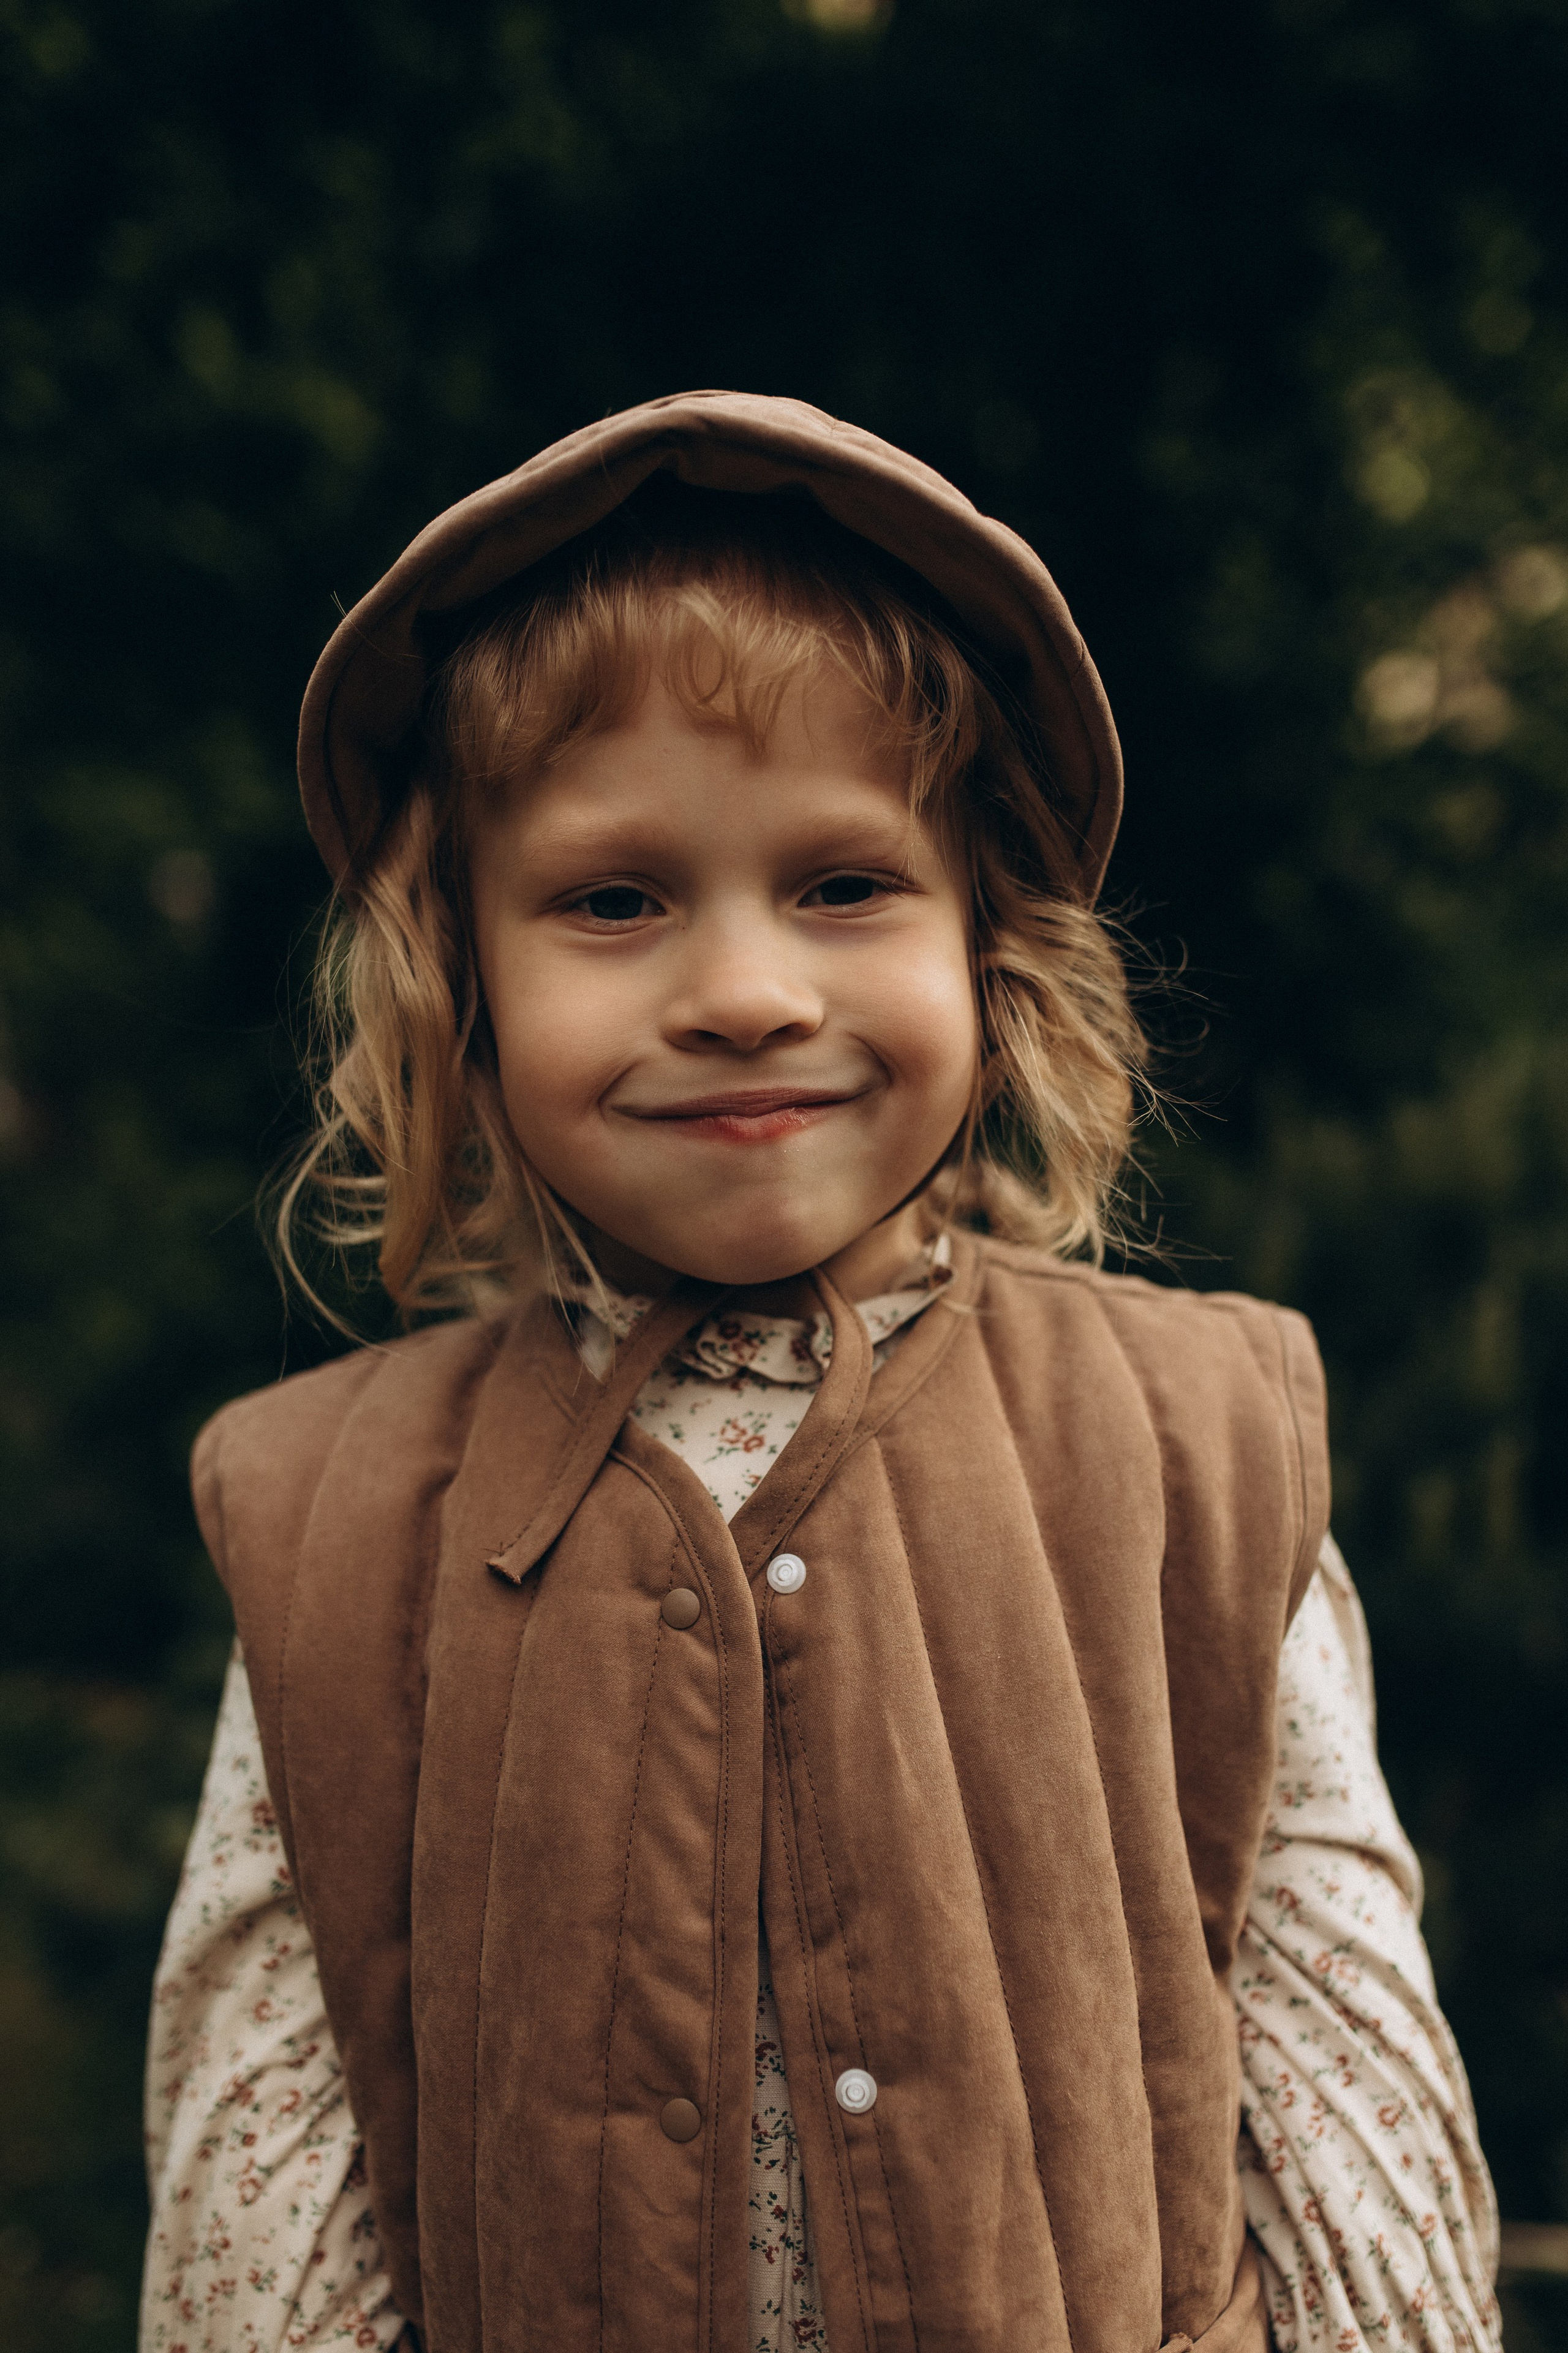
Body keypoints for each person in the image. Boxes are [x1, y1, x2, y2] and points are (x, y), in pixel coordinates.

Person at [138, 394, 1504, 2353]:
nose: (749, 989)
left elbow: (1347, 2076)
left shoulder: (1191, 1442)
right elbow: (268, 2185)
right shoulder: (334, 1518)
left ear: (990, 943)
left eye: (845, 886)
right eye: (616, 901)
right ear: (465, 980)